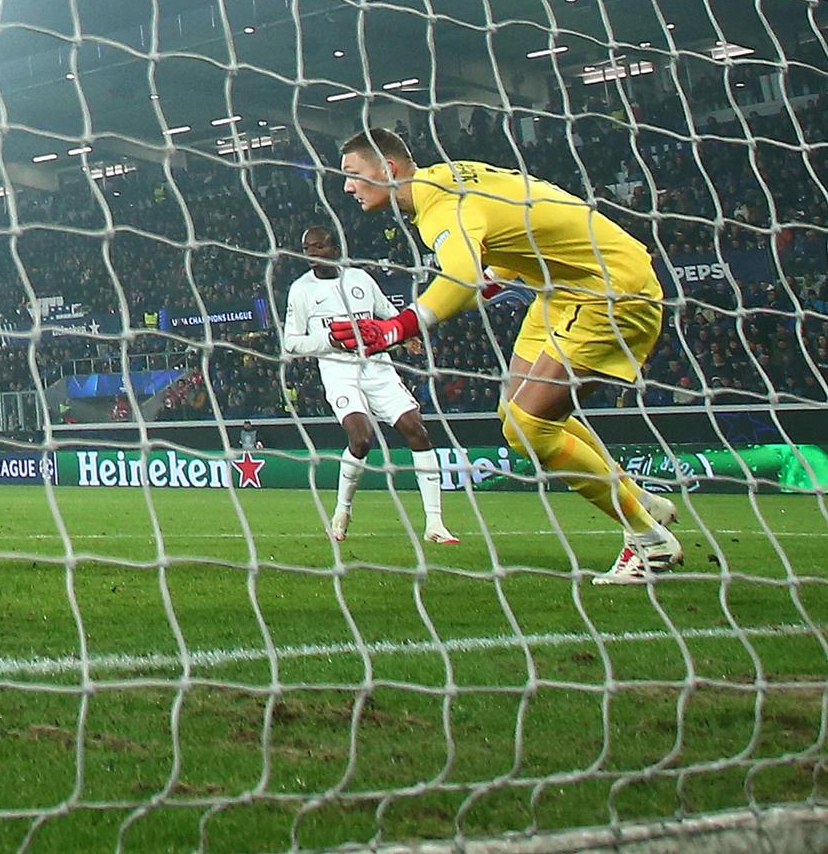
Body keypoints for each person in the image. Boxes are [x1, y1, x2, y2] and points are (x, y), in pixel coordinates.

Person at [333, 129, 680, 585]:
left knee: (529, 425)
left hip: (609, 289)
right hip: (562, 284)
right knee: (515, 418)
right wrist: (488, 281)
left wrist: (398, 327)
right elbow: (515, 234)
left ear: (388, 169)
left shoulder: (441, 207)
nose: (346, 187)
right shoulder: (445, 180)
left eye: (352, 174)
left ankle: (649, 540)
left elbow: (460, 275)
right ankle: (639, 501)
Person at [281, 224, 456, 545]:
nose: (312, 255)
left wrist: (407, 340)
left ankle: (435, 524)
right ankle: (341, 512)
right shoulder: (301, 290)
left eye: (319, 247)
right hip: (338, 372)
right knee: (361, 440)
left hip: (378, 368)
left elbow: (390, 318)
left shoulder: (361, 279)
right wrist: (330, 340)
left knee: (416, 430)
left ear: (335, 248)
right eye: (307, 249)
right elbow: (290, 343)